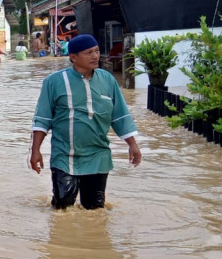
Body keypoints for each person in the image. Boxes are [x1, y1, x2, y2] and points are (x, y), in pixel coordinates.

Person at [30, 34, 143, 209]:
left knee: (95, 209)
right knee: (63, 208)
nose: (95, 56)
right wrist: (35, 150)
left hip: (98, 155)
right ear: (73, 57)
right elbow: (43, 119)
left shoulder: (107, 80)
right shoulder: (54, 82)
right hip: (64, 156)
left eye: (97, 51)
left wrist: (133, 145)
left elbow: (120, 115)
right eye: (89, 52)